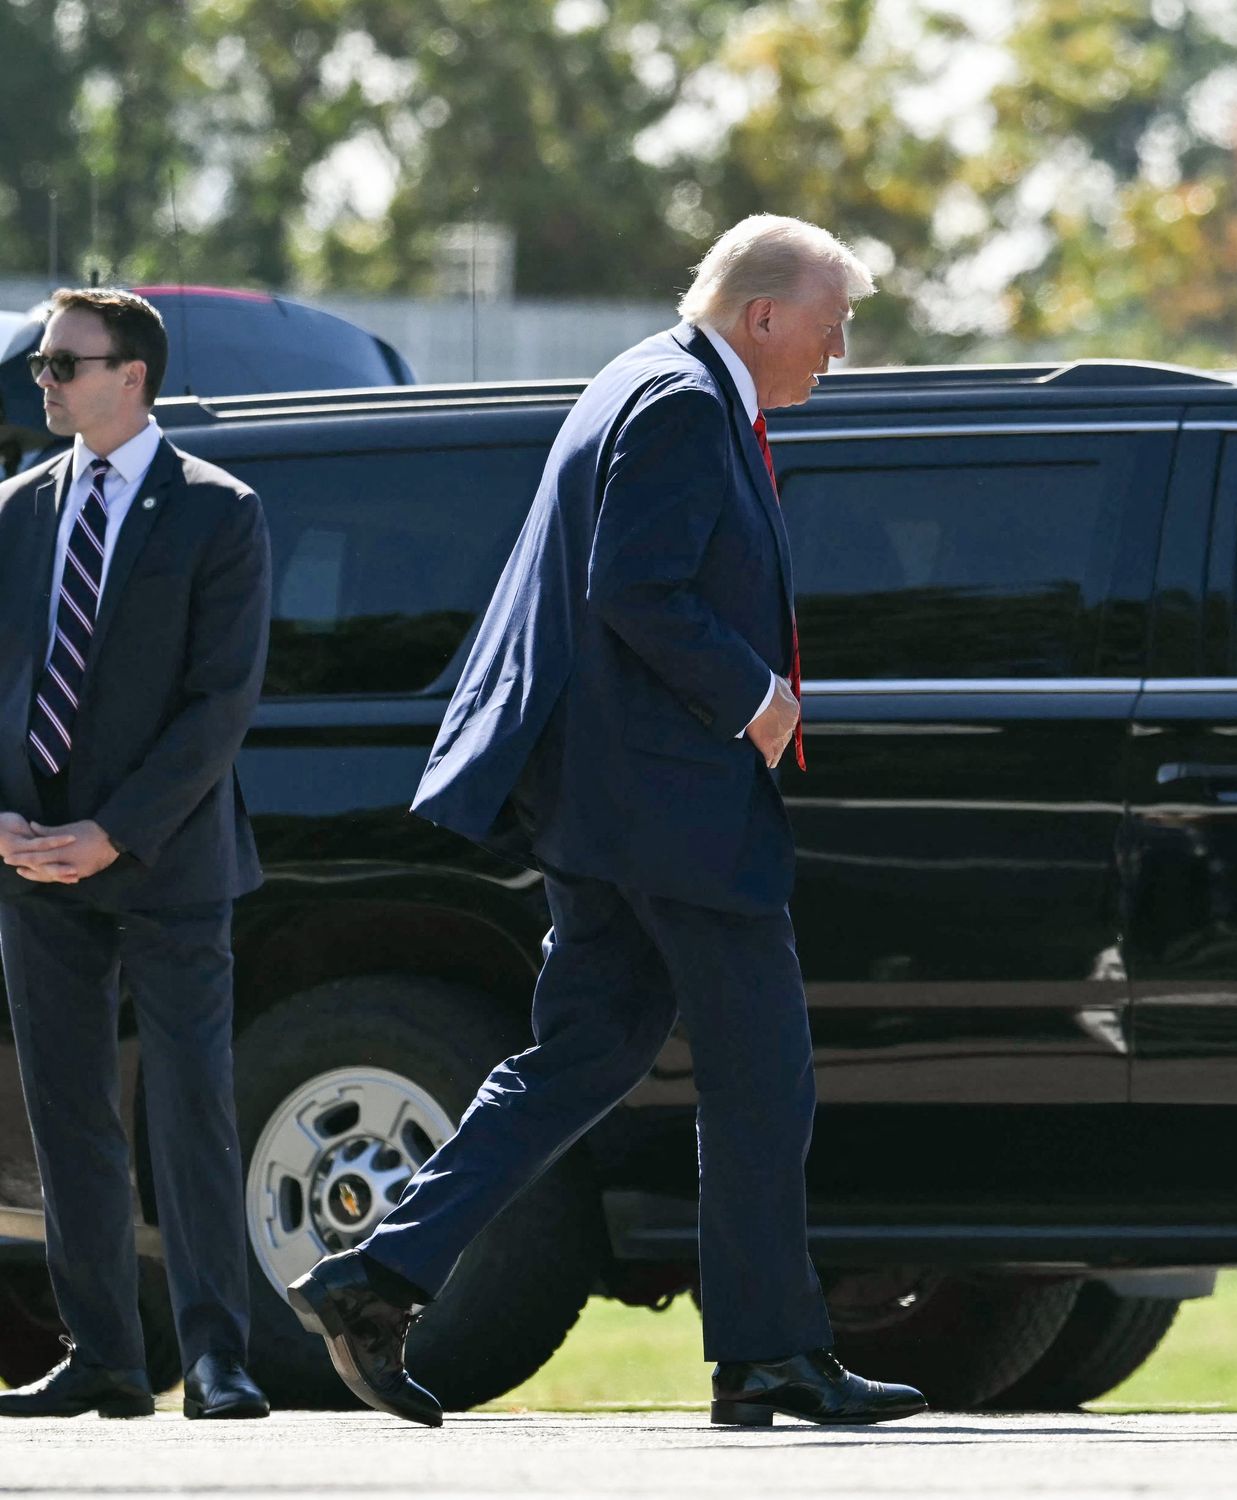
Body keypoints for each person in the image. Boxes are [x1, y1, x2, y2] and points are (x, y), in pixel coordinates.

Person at [286, 215, 927, 1430]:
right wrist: (758, 700)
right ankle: (770, 1354)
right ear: (763, 316)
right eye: (832, 331)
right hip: (669, 808)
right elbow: (636, 587)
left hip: (608, 808)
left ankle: (376, 1274)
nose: (835, 358)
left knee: (578, 1058)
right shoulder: (683, 403)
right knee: (764, 1078)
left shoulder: (635, 380)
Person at [0, 288, 273, 1420]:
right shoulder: (13, 511)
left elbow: (220, 704)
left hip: (164, 862)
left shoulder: (219, 511)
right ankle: (105, 1356)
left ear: (134, 377)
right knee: (67, 1116)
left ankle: (218, 1358)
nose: (46, 383)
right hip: (30, 865)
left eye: (67, 364)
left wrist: (113, 832)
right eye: (42, 367)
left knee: (191, 1111)